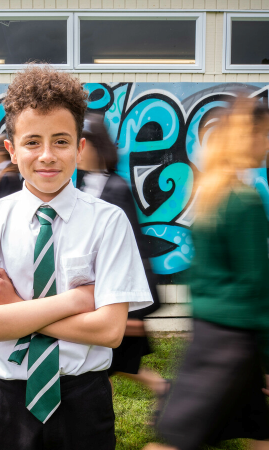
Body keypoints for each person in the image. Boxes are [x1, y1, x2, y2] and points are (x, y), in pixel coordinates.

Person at [0, 65, 153, 450]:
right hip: (7, 404)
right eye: (32, 142)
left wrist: (14, 308)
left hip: (83, 402)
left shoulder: (108, 222)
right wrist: (75, 301)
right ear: (12, 150)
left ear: (80, 148)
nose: (47, 156)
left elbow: (109, 332)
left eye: (61, 141)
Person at [145, 98, 269, 450]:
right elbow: (258, 289)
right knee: (175, 442)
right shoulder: (244, 201)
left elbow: (198, 276)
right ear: (246, 138)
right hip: (231, 345)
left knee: (262, 433)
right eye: (265, 135)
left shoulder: (210, 193)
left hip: (215, 333)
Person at [78, 113, 168, 405]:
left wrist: (135, 312)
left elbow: (136, 250)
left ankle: (165, 391)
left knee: (108, 365)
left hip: (116, 302)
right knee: (106, 366)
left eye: (81, 143)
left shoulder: (115, 189)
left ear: (95, 147)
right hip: (98, 296)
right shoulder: (84, 186)